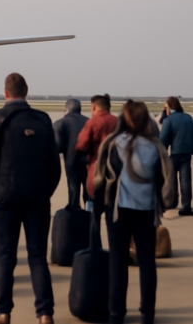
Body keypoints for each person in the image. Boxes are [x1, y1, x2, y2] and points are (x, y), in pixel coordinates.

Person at [0, 73, 61, 324]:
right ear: (27, 91)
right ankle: (45, 314)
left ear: (5, 93)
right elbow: (54, 166)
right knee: (38, 257)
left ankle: (3, 312)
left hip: (5, 198)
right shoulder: (43, 119)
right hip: (37, 199)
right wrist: (44, 193)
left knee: (5, 256)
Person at [94, 100, 176, 324]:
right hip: (147, 211)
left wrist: (97, 205)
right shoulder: (155, 146)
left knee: (118, 263)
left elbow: (103, 178)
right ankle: (147, 314)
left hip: (118, 211)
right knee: (147, 263)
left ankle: (116, 314)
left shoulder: (113, 143)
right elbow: (162, 180)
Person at [76, 94, 118, 203]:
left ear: (94, 107)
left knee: (94, 203)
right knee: (111, 204)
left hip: (96, 167)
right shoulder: (118, 122)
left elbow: (82, 145)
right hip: (116, 167)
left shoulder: (92, 122)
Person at [53, 98, 90, 209]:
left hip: (71, 160)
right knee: (88, 189)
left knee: (73, 187)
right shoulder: (89, 122)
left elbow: (56, 146)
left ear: (66, 110)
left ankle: (74, 211)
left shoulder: (61, 123)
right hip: (89, 161)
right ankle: (89, 212)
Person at [159, 96, 193, 216]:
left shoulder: (169, 120)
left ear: (169, 106)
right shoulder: (188, 118)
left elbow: (162, 139)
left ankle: (171, 202)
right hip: (187, 152)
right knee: (185, 180)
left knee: (170, 179)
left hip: (174, 153)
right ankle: (186, 206)